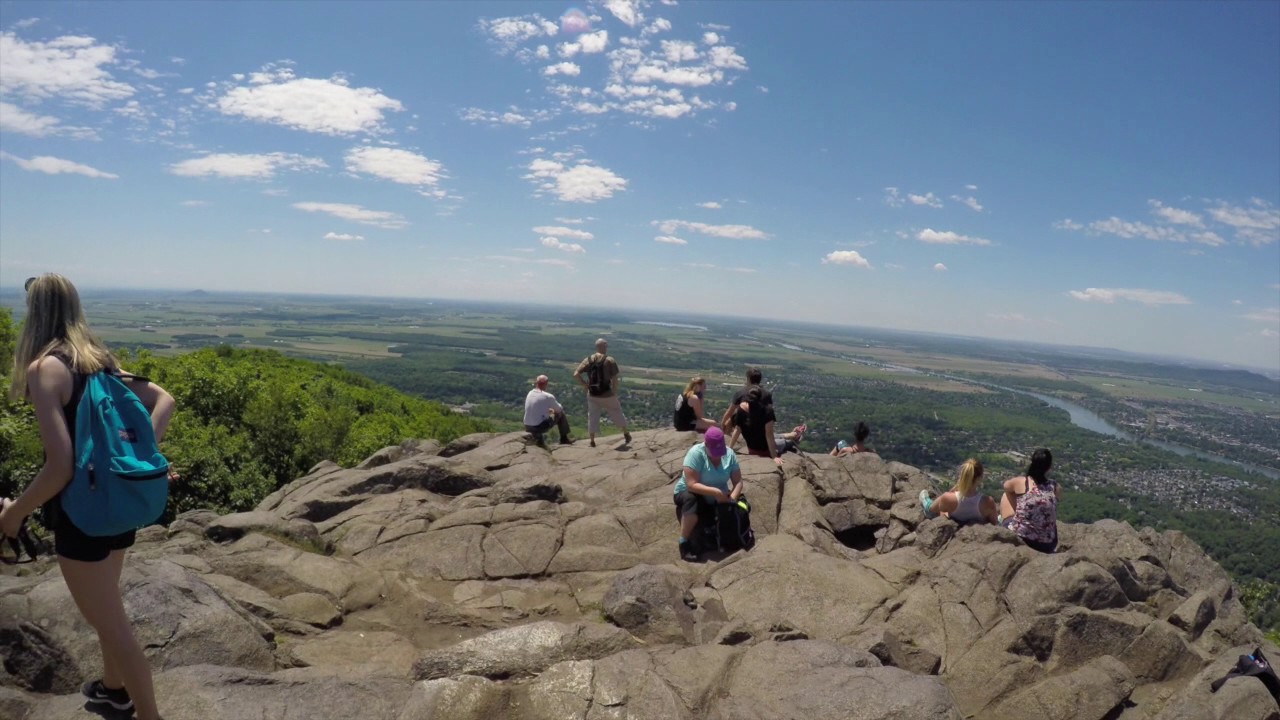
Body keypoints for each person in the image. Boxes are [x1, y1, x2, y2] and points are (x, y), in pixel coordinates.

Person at [0, 274, 176, 720]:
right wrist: (136, 458)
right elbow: (165, 400)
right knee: (108, 611)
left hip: (82, 515)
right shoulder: (100, 360)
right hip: (118, 509)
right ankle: (114, 690)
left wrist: (14, 514)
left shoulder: (46, 369)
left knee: (114, 625)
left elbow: (60, 467)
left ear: (35, 312)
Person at [673, 426, 742, 561]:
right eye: (714, 451)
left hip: (716, 497)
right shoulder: (695, 454)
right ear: (706, 445)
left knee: (725, 514)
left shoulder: (730, 455)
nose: (718, 455)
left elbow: (738, 482)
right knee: (691, 500)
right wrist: (715, 492)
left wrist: (731, 500)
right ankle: (684, 543)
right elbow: (691, 484)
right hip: (691, 492)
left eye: (720, 451)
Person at [724, 383, 805, 468]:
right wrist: (774, 456)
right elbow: (769, 435)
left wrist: (730, 448)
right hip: (764, 450)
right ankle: (795, 439)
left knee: (773, 435)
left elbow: (737, 430)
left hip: (752, 448)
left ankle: (792, 434)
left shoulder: (741, 410)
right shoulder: (767, 411)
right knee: (788, 443)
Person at [573, 338, 631, 448]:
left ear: (596, 347)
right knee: (617, 412)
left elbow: (576, 374)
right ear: (604, 346)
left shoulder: (588, 359)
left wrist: (585, 385)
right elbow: (615, 379)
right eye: (606, 345)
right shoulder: (610, 360)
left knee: (592, 416)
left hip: (592, 394)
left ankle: (592, 440)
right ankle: (626, 433)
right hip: (607, 394)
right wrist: (614, 392)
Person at [1002, 448, 1060, 553]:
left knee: (1006, 494)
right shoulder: (1056, 487)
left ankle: (1014, 520)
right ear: (1049, 467)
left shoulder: (1022, 482)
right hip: (1048, 545)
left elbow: (1006, 486)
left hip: (1023, 539)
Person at [920, 458, 997, 526]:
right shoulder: (988, 502)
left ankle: (926, 503)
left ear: (962, 476)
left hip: (954, 523)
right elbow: (994, 522)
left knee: (930, 508)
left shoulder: (949, 498)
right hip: (975, 531)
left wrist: (956, 487)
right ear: (980, 478)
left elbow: (936, 510)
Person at [523, 375, 573, 446]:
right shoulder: (548, 396)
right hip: (538, 427)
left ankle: (540, 442)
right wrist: (553, 410)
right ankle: (564, 439)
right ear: (546, 384)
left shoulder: (530, 393)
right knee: (561, 414)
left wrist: (549, 410)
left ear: (536, 383)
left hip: (527, 425)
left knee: (550, 413)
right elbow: (559, 409)